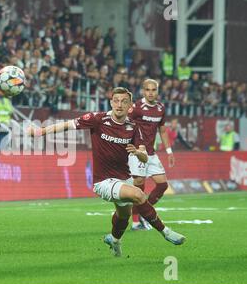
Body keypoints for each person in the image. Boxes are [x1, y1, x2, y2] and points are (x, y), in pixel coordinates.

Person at [29, 87, 185, 257]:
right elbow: (67, 125)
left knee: (123, 216)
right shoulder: (98, 119)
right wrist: (40, 132)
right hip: (103, 181)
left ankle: (114, 240)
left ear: (130, 106)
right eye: (116, 100)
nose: (119, 104)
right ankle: (166, 232)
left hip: (124, 178)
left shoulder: (134, 127)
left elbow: (144, 157)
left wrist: (138, 153)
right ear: (111, 102)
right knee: (139, 195)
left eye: (124, 101)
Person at [128, 79, 175, 230]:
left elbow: (162, 130)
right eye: (147, 90)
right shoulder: (136, 108)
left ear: (157, 91)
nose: (150, 92)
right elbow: (125, 125)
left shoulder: (161, 108)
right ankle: (135, 222)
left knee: (162, 185)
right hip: (137, 152)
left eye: (153, 90)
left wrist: (169, 151)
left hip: (151, 153)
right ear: (143, 91)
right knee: (139, 188)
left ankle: (143, 212)